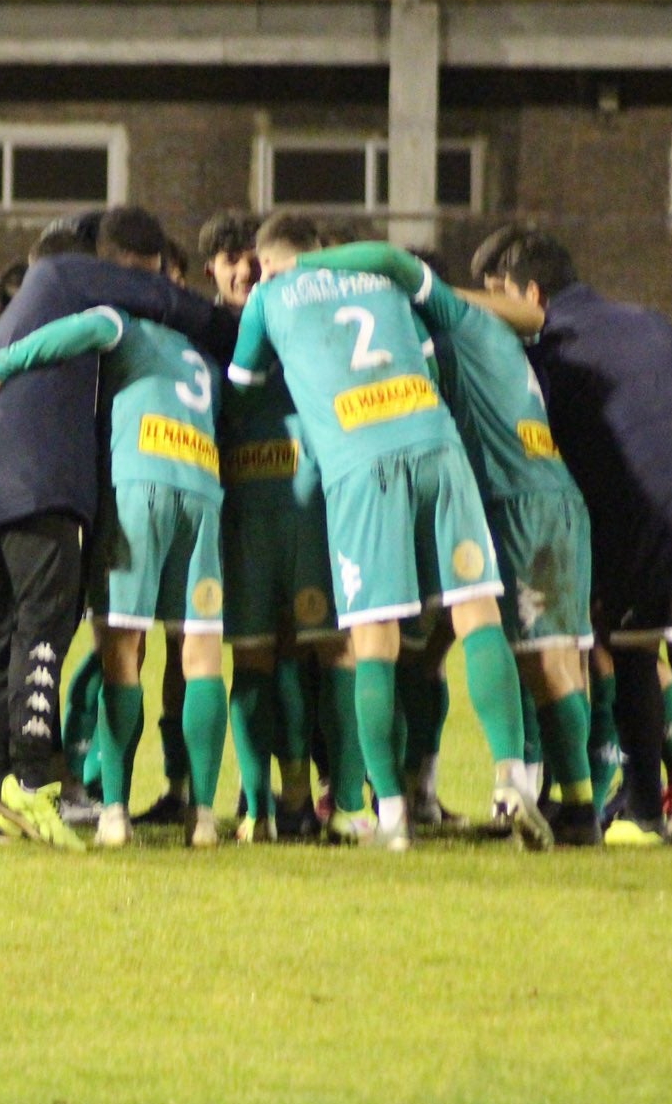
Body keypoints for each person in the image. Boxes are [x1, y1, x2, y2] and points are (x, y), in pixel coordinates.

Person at [229, 211, 534, 852]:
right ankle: (513, 781)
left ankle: (390, 813)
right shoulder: (381, 279)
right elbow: (422, 345)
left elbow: (244, 383)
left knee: (373, 640)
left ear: (265, 262)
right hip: (435, 443)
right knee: (477, 612)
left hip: (358, 467)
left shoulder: (266, 297)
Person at [0, 206, 237, 850]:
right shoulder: (96, 295)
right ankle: (43, 784)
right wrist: (237, 324)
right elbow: (164, 304)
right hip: (61, 476)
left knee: (1, 640)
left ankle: (0, 800)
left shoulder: (34, 300)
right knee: (56, 628)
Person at [305, 240, 602, 846]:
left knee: (533, 657)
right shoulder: (488, 325)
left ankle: (542, 797)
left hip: (505, 499)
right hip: (556, 490)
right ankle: (560, 798)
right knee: (528, 652)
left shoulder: (432, 332)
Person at [488, 229, 672, 842]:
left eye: (504, 299)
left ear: (531, 292)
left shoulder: (554, 342)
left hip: (646, 518)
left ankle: (641, 811)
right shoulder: (652, 322)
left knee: (633, 650)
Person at [203, 209, 332, 843]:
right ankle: (262, 804)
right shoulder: (217, 330)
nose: (248, 274)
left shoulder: (268, 322)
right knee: (258, 659)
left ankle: (296, 799)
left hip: (297, 506)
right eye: (235, 263)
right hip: (247, 511)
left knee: (298, 658)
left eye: (254, 263)